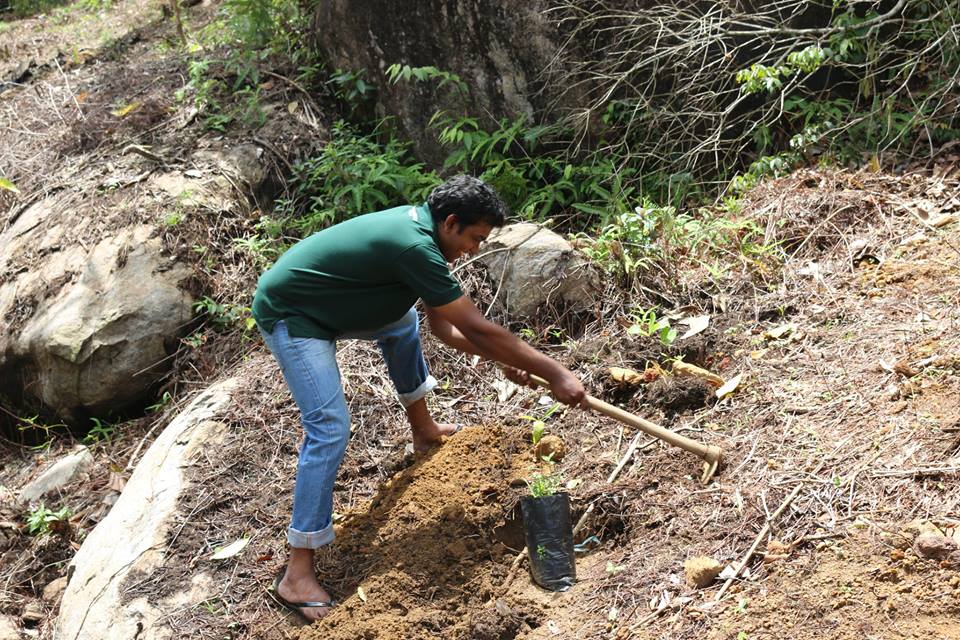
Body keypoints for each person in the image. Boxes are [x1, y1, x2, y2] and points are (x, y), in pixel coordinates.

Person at [252, 174, 585, 621]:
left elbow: (445, 330)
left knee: (401, 322)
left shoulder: (424, 234)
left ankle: (424, 431)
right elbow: (477, 327)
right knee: (329, 428)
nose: (474, 249)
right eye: (474, 238)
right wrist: (555, 372)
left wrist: (504, 358)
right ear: (450, 223)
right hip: (294, 315)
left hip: (332, 304)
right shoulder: (414, 246)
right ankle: (296, 574)